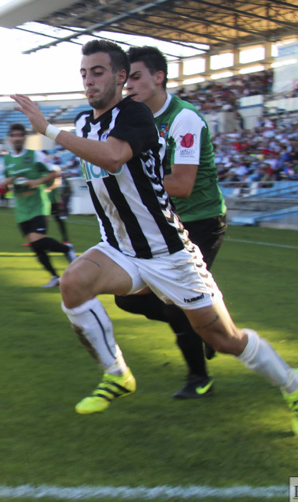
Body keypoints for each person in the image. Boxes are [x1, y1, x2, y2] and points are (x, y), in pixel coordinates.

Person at [10, 39, 298, 436]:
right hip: (121, 250)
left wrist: (48, 130)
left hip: (170, 254)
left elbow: (114, 157)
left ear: (120, 77)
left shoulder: (136, 114)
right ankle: (117, 374)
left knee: (225, 339)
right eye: (84, 73)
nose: (89, 80)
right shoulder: (86, 123)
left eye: (98, 72)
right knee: (73, 282)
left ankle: (295, 386)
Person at [118, 45, 227, 399]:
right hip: (165, 222)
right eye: (125, 79)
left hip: (202, 220)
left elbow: (182, 184)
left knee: (178, 300)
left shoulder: (184, 119)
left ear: (159, 77)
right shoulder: (133, 120)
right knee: (127, 298)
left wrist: (131, 182)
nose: (128, 86)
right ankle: (205, 327)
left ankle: (200, 378)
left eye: (135, 77)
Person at [1, 123, 77, 288]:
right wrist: (7, 182)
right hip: (21, 209)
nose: (17, 138)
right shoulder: (6, 160)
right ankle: (55, 277)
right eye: (14, 135)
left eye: (20, 135)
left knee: (36, 240)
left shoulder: (35, 156)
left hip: (37, 206)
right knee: (36, 247)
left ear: (24, 138)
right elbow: (6, 186)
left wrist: (36, 181)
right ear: (10, 138)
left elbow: (54, 173)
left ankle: (67, 250)